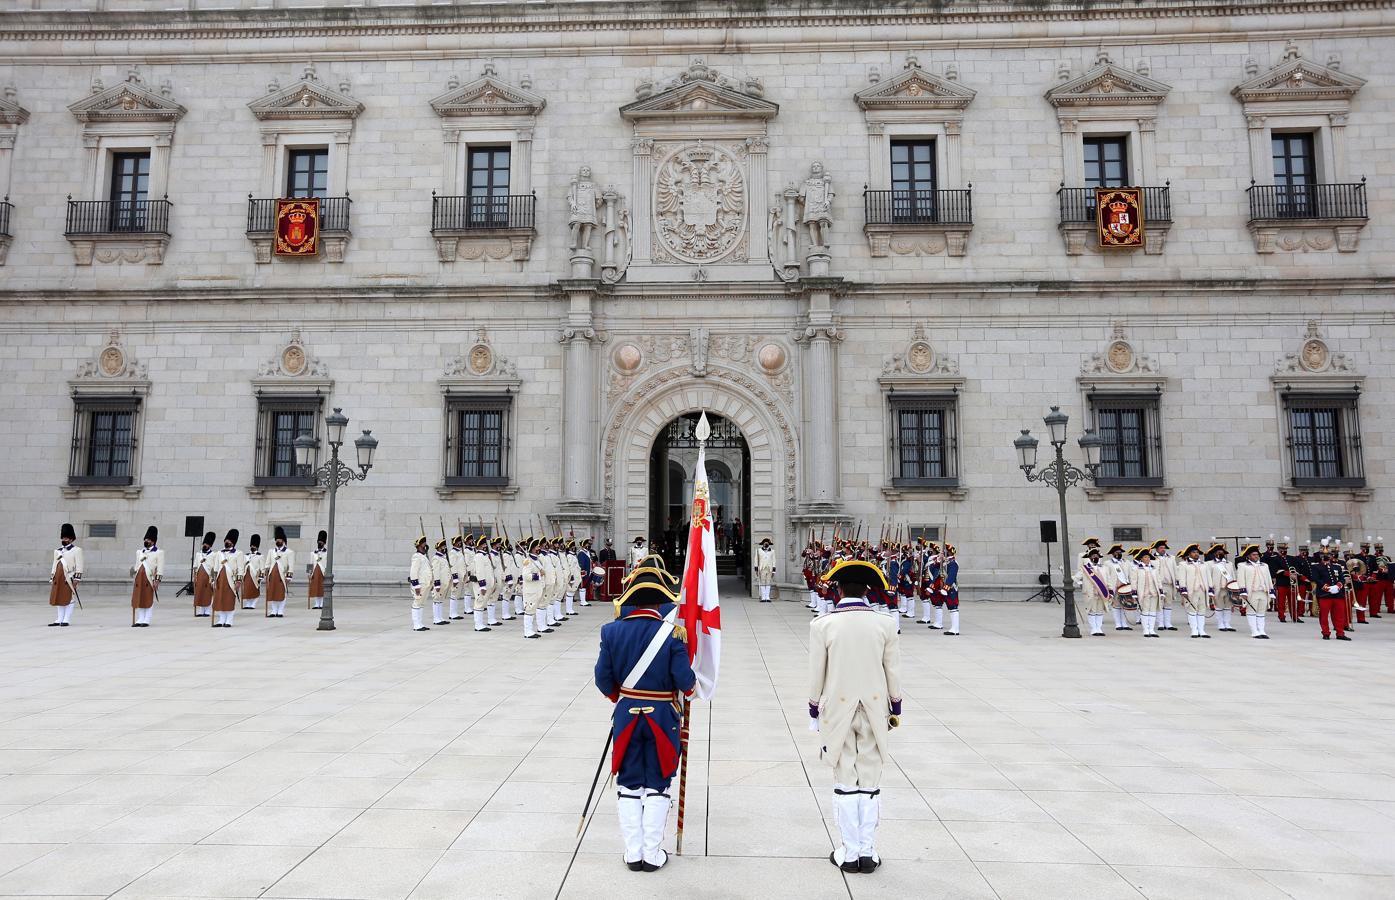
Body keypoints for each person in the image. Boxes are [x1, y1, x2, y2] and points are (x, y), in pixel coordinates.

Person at [808, 559, 902, 874]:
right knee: (871, 780)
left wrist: (812, 707)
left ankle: (849, 853)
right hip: (876, 708)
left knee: (845, 780)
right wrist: (896, 705)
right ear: (866, 590)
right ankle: (867, 851)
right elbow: (893, 670)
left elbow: (816, 674)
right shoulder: (885, 624)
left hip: (838, 708)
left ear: (838, 589)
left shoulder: (823, 625)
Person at [1311, 545, 1350, 640]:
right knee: (1324, 615)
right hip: (1325, 595)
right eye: (1324, 555)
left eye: (1328, 554)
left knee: (1339, 615)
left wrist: (1338, 586)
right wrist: (1328, 588)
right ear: (1320, 556)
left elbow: (1341, 577)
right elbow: (1316, 579)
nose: (1326, 556)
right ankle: (1325, 633)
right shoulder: (1316, 567)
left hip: (1338, 594)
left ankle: (1340, 633)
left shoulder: (1337, 566)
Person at [48, 523, 83, 627]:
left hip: (69, 578)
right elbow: (54, 565)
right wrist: (52, 577)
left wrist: (77, 579)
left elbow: (79, 566)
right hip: (58, 578)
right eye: (63, 538)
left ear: (71, 539)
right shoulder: (57, 551)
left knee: (69, 598)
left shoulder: (77, 550)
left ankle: (66, 619)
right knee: (58, 597)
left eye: (66, 538)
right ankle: (59, 619)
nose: (64, 540)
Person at [1236, 544, 1274, 639]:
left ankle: (1261, 630)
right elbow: (1241, 579)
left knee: (1261, 612)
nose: (1256, 556)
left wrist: (1271, 591)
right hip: (1251, 593)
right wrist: (1243, 592)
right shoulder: (1242, 565)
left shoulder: (1264, 565)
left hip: (1263, 592)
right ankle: (1254, 631)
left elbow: (1269, 579)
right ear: (1248, 556)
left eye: (1257, 554)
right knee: (1251, 611)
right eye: (1253, 554)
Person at [1175, 542, 1212, 638]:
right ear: (1189, 554)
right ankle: (1194, 630)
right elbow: (1181, 578)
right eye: (1193, 552)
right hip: (1191, 590)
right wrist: (1183, 590)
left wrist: (1211, 590)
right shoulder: (1183, 564)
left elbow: (1208, 578)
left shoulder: (1204, 564)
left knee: (1202, 610)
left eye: (1197, 552)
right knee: (1192, 610)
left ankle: (1202, 630)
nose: (1196, 554)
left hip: (1202, 590)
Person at [1073, 545, 1111, 636]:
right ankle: (1094, 628)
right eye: (1093, 556)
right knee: (1092, 611)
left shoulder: (1104, 568)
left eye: (1097, 555)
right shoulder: (1085, 568)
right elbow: (1077, 577)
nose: (1095, 557)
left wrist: (1110, 590)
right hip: (1090, 593)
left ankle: (1099, 628)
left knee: (1099, 611)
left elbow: (1108, 580)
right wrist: (1068, 577)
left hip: (1102, 592)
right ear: (1089, 558)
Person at [210, 529, 244, 628]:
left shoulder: (238, 553)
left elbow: (240, 568)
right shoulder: (219, 553)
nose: (226, 542)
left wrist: (238, 581)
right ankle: (221, 620)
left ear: (233, 542)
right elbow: (215, 568)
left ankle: (229, 620)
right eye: (226, 540)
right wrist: (213, 580)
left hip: (231, 580)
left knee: (229, 600)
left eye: (229, 541)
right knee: (219, 599)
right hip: (220, 579)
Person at [130, 525, 163, 627]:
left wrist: (157, 581)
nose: (146, 541)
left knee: (147, 599)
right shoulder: (139, 552)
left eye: (148, 539)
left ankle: (147, 619)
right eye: (145, 539)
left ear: (153, 541)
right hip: (139, 579)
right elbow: (137, 565)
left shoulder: (158, 553)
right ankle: (140, 618)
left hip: (149, 579)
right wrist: (133, 573)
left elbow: (160, 568)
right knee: (139, 598)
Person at [1204, 543, 1237, 632]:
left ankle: (1227, 623)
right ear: (1214, 553)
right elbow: (1208, 577)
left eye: (1222, 551)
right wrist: (1210, 589)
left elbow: (1232, 576)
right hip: (1217, 588)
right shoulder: (1209, 564)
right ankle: (1220, 624)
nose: (1220, 552)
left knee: (1228, 607)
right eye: (1218, 551)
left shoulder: (1229, 563)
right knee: (1219, 606)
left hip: (1228, 588)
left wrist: (1235, 588)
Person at [265, 526, 293, 618]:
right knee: (272, 593)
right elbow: (267, 563)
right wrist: (266, 572)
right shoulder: (271, 551)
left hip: (282, 575)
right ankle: (273, 610)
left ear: (283, 541)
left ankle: (280, 611)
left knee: (281, 593)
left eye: (280, 540)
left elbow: (291, 565)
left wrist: (289, 576)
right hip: (272, 575)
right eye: (277, 540)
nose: (278, 541)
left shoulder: (289, 552)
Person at [408, 535, 433, 632]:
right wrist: (416, 585)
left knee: (421, 604)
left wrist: (430, 583)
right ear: (418, 546)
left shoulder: (423, 557)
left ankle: (420, 623)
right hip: (420, 585)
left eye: (425, 544)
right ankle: (416, 625)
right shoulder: (416, 557)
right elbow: (413, 572)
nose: (425, 546)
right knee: (417, 603)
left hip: (425, 585)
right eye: (423, 544)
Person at [194, 530, 216, 617]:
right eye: (204, 544)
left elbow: (214, 567)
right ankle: (201, 610)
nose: (204, 545)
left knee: (207, 593)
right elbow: (195, 565)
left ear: (210, 545)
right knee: (199, 592)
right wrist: (194, 575)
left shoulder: (213, 554)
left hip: (208, 576)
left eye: (206, 544)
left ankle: (207, 610)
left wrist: (213, 578)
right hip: (199, 575)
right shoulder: (198, 554)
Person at [241, 533, 263, 611]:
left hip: (255, 575)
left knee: (255, 590)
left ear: (257, 546)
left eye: (254, 546)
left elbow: (262, 567)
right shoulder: (246, 555)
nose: (252, 547)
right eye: (251, 545)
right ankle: (248, 604)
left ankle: (253, 604)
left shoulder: (260, 556)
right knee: (247, 589)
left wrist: (261, 577)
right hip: (246, 574)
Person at [308, 530, 327, 610]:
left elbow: (327, 563)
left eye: (321, 542)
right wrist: (309, 573)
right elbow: (310, 563)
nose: (320, 543)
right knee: (315, 587)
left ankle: (322, 603)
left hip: (323, 572)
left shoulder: (326, 553)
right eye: (319, 542)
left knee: (322, 588)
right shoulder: (313, 553)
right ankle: (316, 604)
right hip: (315, 572)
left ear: (324, 543)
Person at [755, 538, 776, 602]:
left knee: (768, 582)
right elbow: (756, 560)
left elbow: (774, 561)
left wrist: (773, 571)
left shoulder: (772, 551)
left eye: (767, 543)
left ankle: (767, 597)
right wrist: (756, 569)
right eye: (765, 543)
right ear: (763, 544)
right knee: (762, 582)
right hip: (762, 568)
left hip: (769, 569)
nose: (766, 544)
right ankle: (763, 597)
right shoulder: (758, 550)